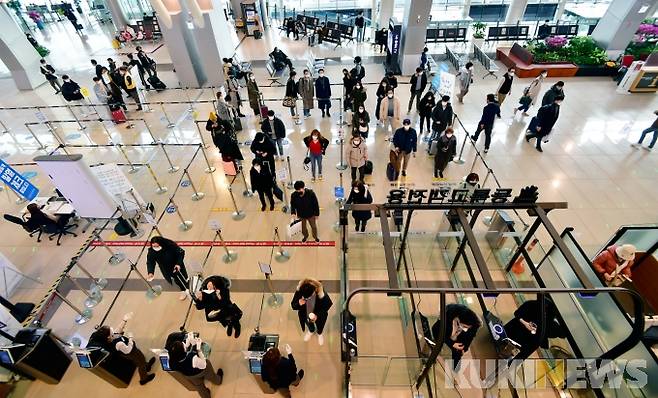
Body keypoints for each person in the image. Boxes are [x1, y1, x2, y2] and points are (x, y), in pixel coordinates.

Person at [91, 314, 155, 385]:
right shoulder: (118, 344)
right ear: (109, 336)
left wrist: (124, 320)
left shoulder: (112, 337)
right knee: (141, 362)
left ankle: (146, 365)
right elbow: (128, 350)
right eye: (110, 329)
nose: (112, 328)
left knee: (139, 359)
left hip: (131, 352)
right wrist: (131, 338)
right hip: (131, 352)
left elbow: (119, 328)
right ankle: (144, 378)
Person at [504, 296, 565, 360]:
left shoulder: (549, 322)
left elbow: (562, 333)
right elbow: (517, 313)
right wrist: (526, 324)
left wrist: (537, 330)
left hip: (524, 343)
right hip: (515, 333)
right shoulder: (532, 305)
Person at [430, 304, 481, 370]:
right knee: (438, 344)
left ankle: (455, 370)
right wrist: (452, 343)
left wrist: (464, 348)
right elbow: (436, 330)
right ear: (459, 320)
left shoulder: (474, 324)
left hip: (458, 338)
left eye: (468, 328)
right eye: (464, 327)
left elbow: (470, 337)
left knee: (458, 353)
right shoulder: (447, 317)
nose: (466, 330)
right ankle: (433, 356)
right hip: (444, 334)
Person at [146, 236, 189, 300]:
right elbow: (150, 262)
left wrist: (178, 264)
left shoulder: (170, 245)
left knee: (183, 277)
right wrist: (150, 272)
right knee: (176, 280)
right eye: (154, 246)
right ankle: (183, 290)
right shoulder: (152, 251)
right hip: (166, 269)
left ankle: (188, 288)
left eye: (157, 246)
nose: (156, 248)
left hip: (176, 265)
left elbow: (180, 253)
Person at [291, 278, 332, 344]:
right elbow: (293, 305)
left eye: (308, 297)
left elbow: (327, 307)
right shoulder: (301, 290)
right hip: (305, 314)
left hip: (319, 315)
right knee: (309, 325)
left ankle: (319, 333)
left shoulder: (321, 293)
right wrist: (298, 303)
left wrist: (317, 316)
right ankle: (311, 331)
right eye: (305, 298)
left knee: (320, 325)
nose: (306, 299)